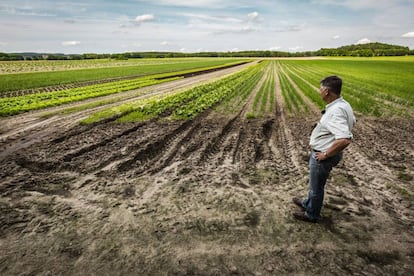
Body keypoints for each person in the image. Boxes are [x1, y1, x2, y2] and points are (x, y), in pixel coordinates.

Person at [292, 75, 356, 223]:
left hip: (323, 156)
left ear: (326, 91)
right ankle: (307, 203)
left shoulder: (336, 111)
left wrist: (325, 154)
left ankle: (312, 214)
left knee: (316, 187)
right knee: (315, 184)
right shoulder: (344, 104)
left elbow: (345, 139)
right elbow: (352, 121)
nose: (319, 91)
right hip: (327, 151)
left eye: (320, 89)